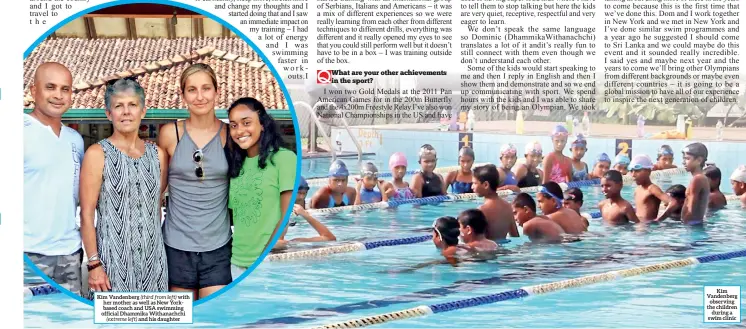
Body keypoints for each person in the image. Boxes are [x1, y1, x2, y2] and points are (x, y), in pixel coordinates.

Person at [80, 78, 169, 295]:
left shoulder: (158, 156)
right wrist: (94, 264)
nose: (126, 112)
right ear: (109, 114)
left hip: (154, 265)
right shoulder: (97, 154)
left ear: (143, 111)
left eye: (132, 105)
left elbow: (155, 206)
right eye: (119, 106)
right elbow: (87, 215)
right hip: (112, 266)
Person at [157, 63, 232, 299]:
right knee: (183, 320)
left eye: (206, 88)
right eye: (192, 90)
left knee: (214, 317)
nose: (200, 96)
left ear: (217, 92)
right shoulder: (170, 133)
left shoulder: (231, 135)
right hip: (176, 245)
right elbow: (157, 191)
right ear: (183, 95)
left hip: (218, 246)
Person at [24, 62, 85, 296]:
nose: (58, 95)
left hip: (69, 252)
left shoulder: (75, 139)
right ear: (33, 91)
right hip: (28, 253)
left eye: (65, 89)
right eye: (50, 87)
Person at [225, 97, 297, 280]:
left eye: (246, 123)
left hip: (267, 263)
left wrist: (265, 256)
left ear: (262, 125)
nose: (239, 131)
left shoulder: (284, 159)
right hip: (235, 262)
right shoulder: (236, 166)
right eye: (233, 125)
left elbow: (285, 214)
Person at [274, 177, 336, 250]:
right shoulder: (291, 243)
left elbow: (330, 238)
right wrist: (307, 216)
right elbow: (329, 238)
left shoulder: (291, 243)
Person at [471, 164, 519, 240]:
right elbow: (515, 236)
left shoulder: (481, 210)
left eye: (474, 183)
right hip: (505, 251)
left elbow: (477, 241)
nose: (472, 187)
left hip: (487, 250)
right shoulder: (508, 206)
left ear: (486, 185)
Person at [629, 155, 671, 222]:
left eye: (637, 171)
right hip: (638, 226)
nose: (633, 175)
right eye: (631, 171)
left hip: (648, 228)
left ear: (648, 171)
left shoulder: (652, 189)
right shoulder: (637, 189)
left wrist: (660, 219)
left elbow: (673, 202)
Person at [680, 143, 710, 225]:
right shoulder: (701, 178)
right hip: (696, 224)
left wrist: (683, 225)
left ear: (699, 160)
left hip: (692, 226)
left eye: (687, 159)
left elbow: (691, 208)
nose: (683, 162)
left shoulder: (697, 179)